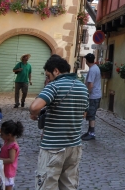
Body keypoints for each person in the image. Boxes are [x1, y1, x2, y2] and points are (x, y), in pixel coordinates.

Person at [30, 54, 89, 190]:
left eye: (48, 75)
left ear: (56, 71)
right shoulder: (83, 88)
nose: (48, 79)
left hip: (53, 147)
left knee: (47, 185)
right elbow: (84, 113)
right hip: (74, 146)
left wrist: (34, 113)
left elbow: (34, 107)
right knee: (69, 185)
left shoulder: (54, 86)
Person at [80, 53, 101, 141]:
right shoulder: (96, 67)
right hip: (97, 94)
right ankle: (89, 131)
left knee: (91, 115)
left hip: (93, 95)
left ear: (87, 61)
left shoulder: (92, 70)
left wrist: (87, 93)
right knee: (90, 114)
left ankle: (92, 133)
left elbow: (90, 84)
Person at [0, 120, 24, 190]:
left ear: (9, 135)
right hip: (4, 170)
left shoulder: (12, 146)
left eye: (2, 134)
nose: (1, 136)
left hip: (8, 172)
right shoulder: (7, 141)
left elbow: (11, 160)